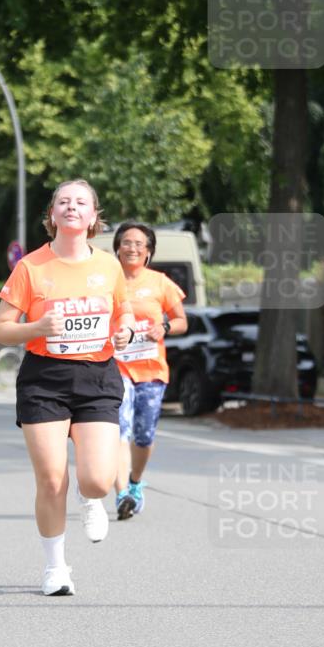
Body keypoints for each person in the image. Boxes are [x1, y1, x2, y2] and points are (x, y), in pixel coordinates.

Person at [0, 180, 135, 597]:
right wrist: (36, 327)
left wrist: (125, 330)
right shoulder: (31, 267)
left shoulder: (108, 266)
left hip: (97, 377)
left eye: (81, 202)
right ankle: (56, 568)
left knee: (97, 480)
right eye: (64, 202)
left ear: (93, 217)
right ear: (52, 215)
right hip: (45, 379)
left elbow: (123, 311)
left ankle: (92, 499)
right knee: (53, 479)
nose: (72, 207)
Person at [111, 221, 187, 520]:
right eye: (126, 242)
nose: (132, 248)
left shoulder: (160, 283)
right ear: (117, 248)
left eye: (139, 244)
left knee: (143, 434)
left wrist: (164, 327)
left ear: (148, 252)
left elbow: (181, 321)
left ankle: (135, 482)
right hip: (116, 367)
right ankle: (122, 494)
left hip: (152, 370)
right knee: (120, 427)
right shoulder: (106, 281)